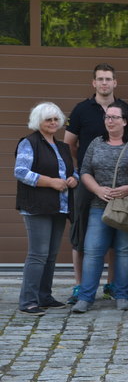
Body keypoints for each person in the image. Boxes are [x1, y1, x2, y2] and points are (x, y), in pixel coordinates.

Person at [64, 63, 128, 304]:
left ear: (115, 82)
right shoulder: (82, 110)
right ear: (94, 83)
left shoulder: (126, 112)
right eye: (100, 79)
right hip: (90, 187)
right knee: (84, 238)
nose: (104, 83)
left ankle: (115, 288)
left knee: (120, 245)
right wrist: (83, 174)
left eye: (108, 79)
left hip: (123, 197)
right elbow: (70, 144)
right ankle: (81, 289)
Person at [71, 103, 128, 313]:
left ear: (125, 121)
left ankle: (122, 294)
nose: (110, 121)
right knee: (93, 251)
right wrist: (98, 190)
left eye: (115, 117)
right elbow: (84, 171)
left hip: (127, 206)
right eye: (107, 117)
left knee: (124, 252)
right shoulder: (96, 143)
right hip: (99, 205)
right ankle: (85, 297)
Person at [15, 102, 78, 315]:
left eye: (55, 119)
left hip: (58, 207)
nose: (52, 123)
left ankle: (44, 296)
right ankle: (28, 301)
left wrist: (73, 179)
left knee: (51, 255)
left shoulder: (62, 147)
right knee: (38, 254)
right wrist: (51, 182)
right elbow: (21, 172)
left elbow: (72, 172)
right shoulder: (29, 143)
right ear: (38, 122)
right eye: (47, 119)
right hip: (37, 207)